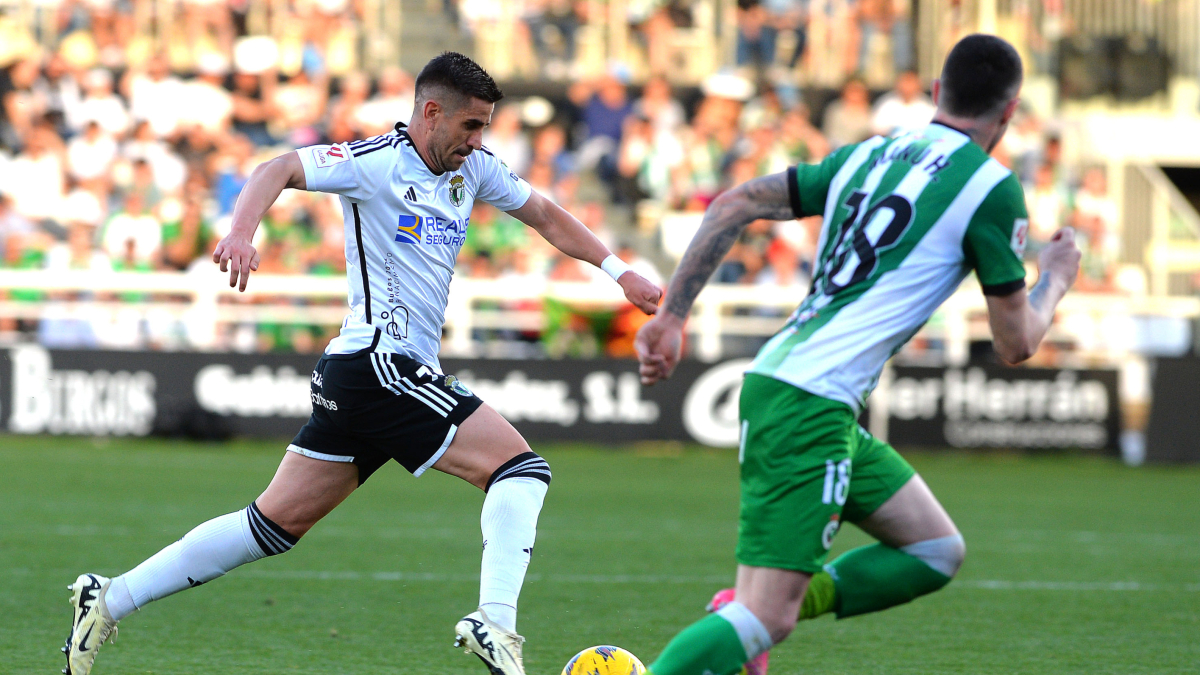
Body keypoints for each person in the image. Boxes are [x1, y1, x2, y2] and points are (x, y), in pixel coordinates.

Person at [62, 52, 662, 675]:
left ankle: (108, 598)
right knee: (521, 470)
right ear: (431, 113)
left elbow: (543, 213)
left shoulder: (474, 170)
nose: (479, 140)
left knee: (272, 525)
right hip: (381, 366)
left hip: (362, 377)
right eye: (470, 126)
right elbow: (278, 166)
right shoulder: (373, 163)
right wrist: (242, 231)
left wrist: (619, 272)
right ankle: (496, 624)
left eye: (485, 127)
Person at [632, 34, 1080, 675]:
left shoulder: (868, 154)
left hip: (805, 392)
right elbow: (1017, 343)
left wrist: (674, 315)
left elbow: (733, 204)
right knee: (766, 619)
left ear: (935, 94)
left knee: (933, 550)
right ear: (1008, 115)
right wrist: (1056, 275)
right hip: (808, 402)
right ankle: (743, 618)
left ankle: (743, 609)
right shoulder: (990, 187)